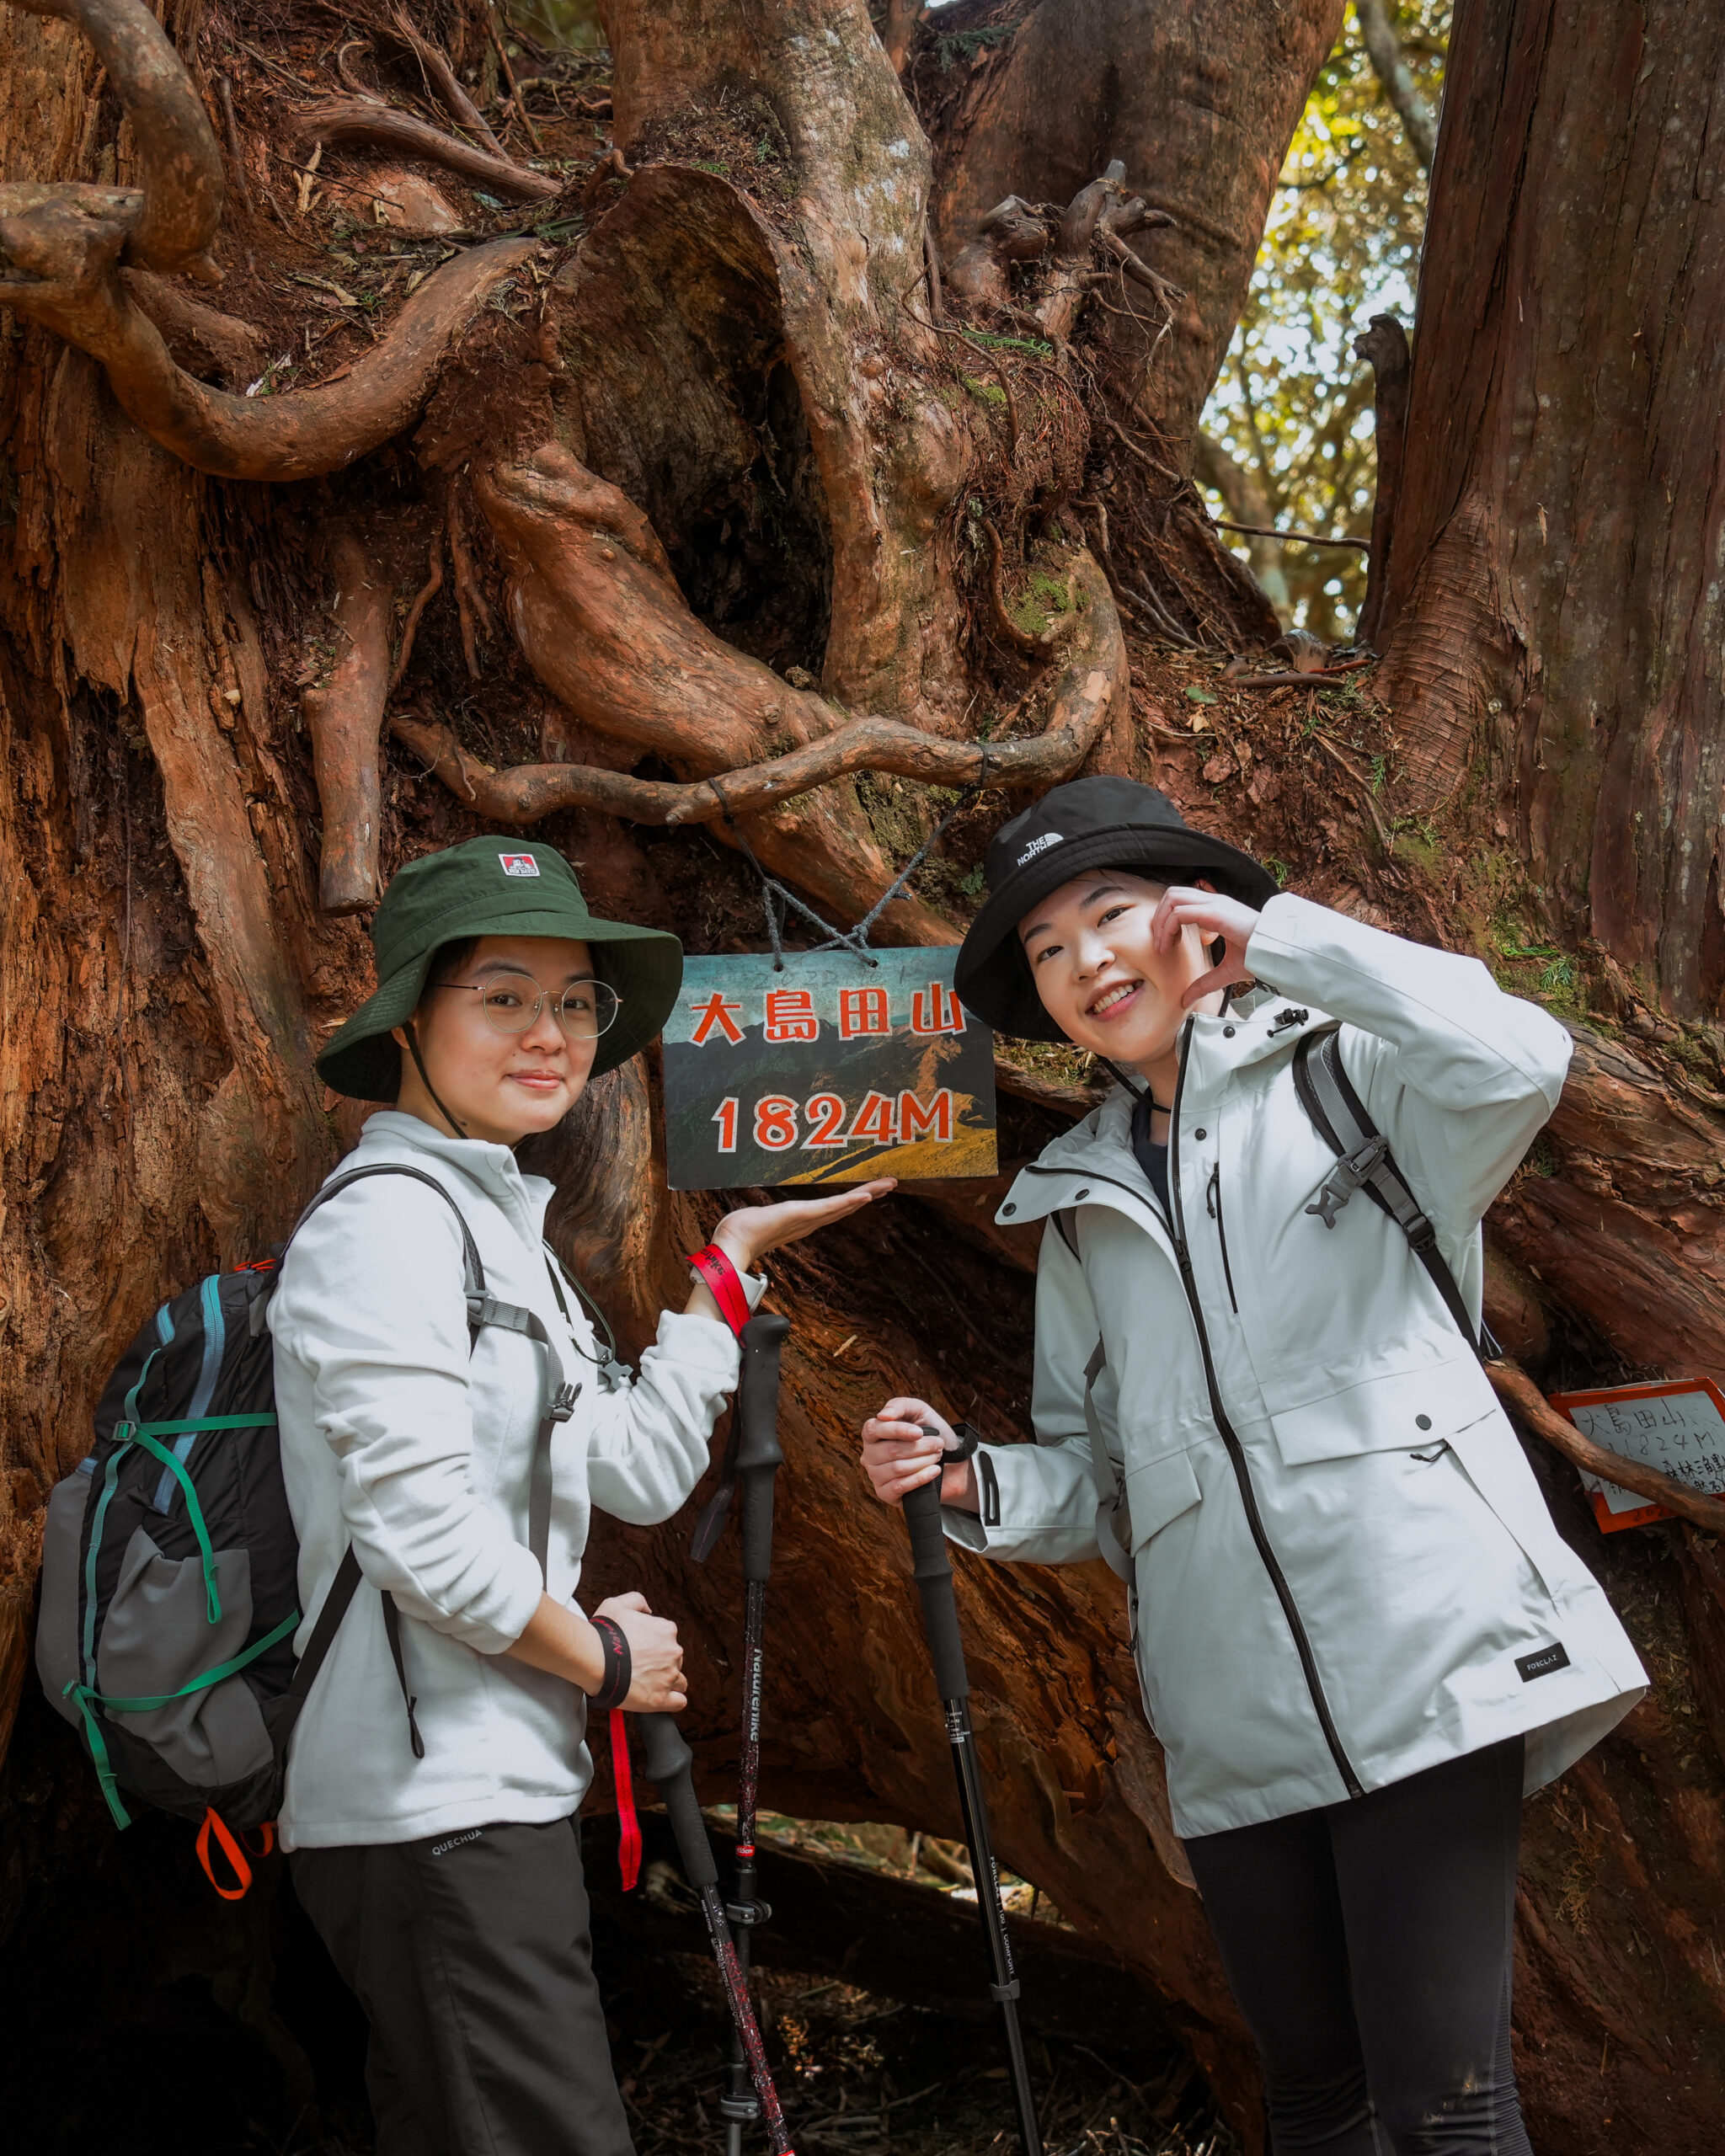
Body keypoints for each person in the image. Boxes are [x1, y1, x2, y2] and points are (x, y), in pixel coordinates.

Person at [857, 776, 1645, 2156]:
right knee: (1316, 2108)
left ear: (1193, 911)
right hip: (1227, 1712)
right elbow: (1097, 1475)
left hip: (1428, 1650)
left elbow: (1522, 1060)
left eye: (1111, 914)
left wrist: (1290, 942)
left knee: (1448, 2109)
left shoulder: (1351, 1075)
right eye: (1047, 948)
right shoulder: (1081, 1207)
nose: (1087, 962)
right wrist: (978, 1482)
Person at [272, 834, 889, 2156]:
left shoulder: (504, 1232)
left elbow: (639, 1468)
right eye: (502, 995)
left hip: (493, 1796)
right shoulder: (383, 1225)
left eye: (572, 1001)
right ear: (409, 1020)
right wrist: (600, 1656)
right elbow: (420, 1538)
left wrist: (726, 1272)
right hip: (428, 1808)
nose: (548, 1033)